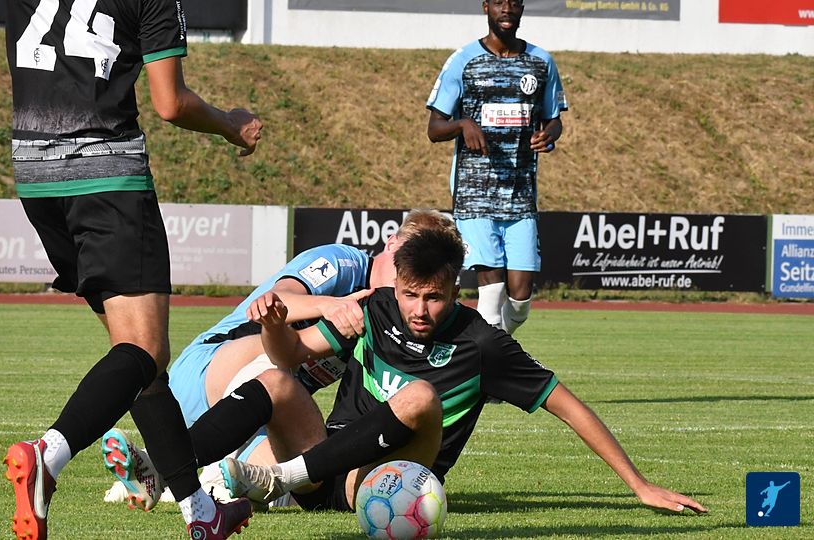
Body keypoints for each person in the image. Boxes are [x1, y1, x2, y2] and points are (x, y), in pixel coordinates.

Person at [0, 0, 261, 538]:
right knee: (144, 351)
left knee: (137, 360)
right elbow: (170, 103)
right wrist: (230, 125)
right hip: (107, 176)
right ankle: (48, 455)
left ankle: (200, 511)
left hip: (37, 178)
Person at [213, 222, 707, 516]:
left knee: (420, 396)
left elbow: (569, 407)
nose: (418, 310)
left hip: (386, 482)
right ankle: (178, 470)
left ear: (454, 291)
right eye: (409, 295)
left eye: (432, 297)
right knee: (274, 380)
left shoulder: (483, 344)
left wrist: (640, 485)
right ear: (396, 284)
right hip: (320, 473)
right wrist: (274, 326)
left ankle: (278, 478)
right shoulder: (376, 306)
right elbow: (290, 355)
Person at [100, 210, 459, 510]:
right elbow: (278, 297)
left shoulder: (390, 312)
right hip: (215, 369)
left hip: (260, 411)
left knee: (292, 475)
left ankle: (158, 473)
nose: (408, 284)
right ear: (391, 245)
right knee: (275, 362)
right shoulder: (344, 262)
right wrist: (329, 305)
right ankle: (190, 474)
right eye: (405, 270)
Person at [426, 0, 568, 334]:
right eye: (499, 2)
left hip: (520, 195)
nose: (507, 9)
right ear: (486, 7)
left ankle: (493, 350)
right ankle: (489, 362)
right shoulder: (464, 60)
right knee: (492, 294)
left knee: (520, 300)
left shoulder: (541, 62)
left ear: (522, 8)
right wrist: (463, 124)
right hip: (475, 193)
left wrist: (549, 135)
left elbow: (554, 120)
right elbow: (434, 128)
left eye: (513, 2)